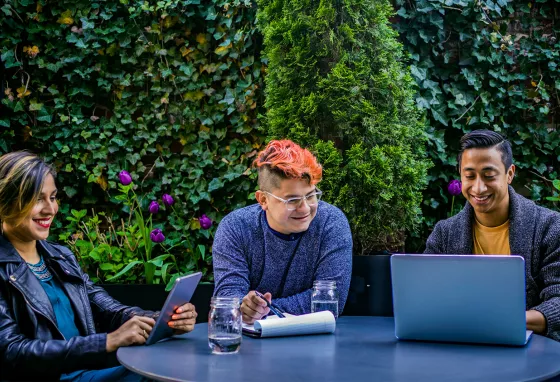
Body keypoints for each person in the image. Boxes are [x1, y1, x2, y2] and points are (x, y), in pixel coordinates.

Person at [0, 151, 198, 381]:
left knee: (173, 364)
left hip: (86, 374)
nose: (50, 209)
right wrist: (107, 342)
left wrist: (163, 320)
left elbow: (108, 310)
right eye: (37, 199)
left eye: (52, 197)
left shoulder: (60, 257)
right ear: (6, 201)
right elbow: (10, 352)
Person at [425, 130, 560, 340]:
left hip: (534, 352)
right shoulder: (444, 234)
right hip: (461, 347)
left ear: (509, 174)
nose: (478, 188)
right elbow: (427, 298)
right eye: (469, 176)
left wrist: (503, 321)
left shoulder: (550, 228)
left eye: (489, 176)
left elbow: (558, 300)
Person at [212, 139, 353, 324]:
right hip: (252, 347)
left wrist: (262, 313)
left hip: (315, 343)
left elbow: (330, 302)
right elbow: (229, 300)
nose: (305, 209)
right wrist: (243, 307)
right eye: (292, 200)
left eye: (311, 195)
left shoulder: (331, 223)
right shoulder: (235, 228)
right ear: (263, 200)